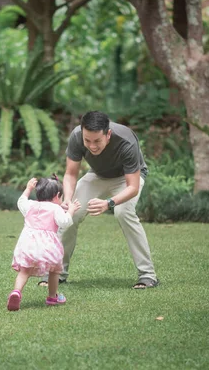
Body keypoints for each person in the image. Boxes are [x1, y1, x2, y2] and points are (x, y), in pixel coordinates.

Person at [38, 111, 159, 289]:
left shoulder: (126, 140)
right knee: (69, 215)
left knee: (123, 212)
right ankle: (57, 273)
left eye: (97, 141)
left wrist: (108, 203)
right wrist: (68, 200)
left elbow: (132, 187)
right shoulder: (77, 136)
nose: (92, 146)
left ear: (108, 134)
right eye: (88, 141)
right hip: (96, 176)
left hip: (126, 179)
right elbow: (71, 174)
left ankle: (147, 275)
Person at [7, 175, 81, 311]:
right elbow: (64, 223)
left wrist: (28, 189)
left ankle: (16, 292)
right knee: (54, 271)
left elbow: (21, 201)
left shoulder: (30, 205)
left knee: (24, 271)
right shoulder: (55, 209)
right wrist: (71, 211)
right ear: (57, 196)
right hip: (48, 248)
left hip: (27, 246)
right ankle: (52, 297)